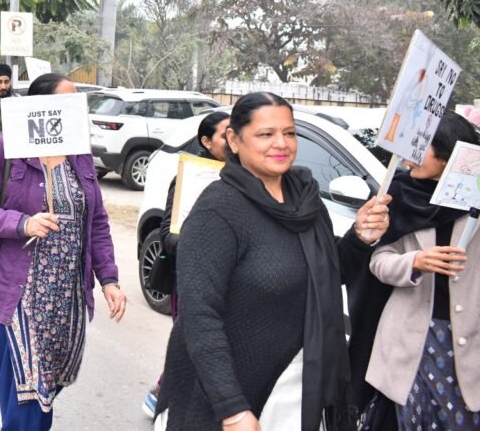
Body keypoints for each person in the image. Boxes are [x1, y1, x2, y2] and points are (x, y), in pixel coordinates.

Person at [161, 92, 390, 431]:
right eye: (265, 134)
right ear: (234, 141)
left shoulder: (305, 198)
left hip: (297, 382)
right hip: (226, 393)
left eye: (290, 132)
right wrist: (232, 407)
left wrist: (360, 238)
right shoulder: (218, 211)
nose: (281, 143)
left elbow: (327, 271)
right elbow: (199, 316)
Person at [0, 72, 126, 428]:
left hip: (67, 298)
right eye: (66, 100)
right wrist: (22, 224)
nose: (75, 108)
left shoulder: (79, 154)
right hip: (19, 292)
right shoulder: (3, 148)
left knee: (47, 390)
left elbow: (95, 222)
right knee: (28, 402)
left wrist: (109, 279)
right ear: (39, 105)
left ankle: (9, 394)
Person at [358, 111, 480, 429]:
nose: (407, 158)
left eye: (419, 147)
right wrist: (414, 262)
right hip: (408, 346)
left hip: (473, 351)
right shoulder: (397, 194)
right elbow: (378, 260)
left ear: (446, 152)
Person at [146, 111, 230, 421]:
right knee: (194, 346)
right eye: (225, 134)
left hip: (230, 285)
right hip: (192, 280)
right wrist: (205, 249)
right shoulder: (190, 177)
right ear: (206, 142)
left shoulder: (251, 180)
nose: (233, 139)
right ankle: (165, 397)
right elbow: (168, 235)